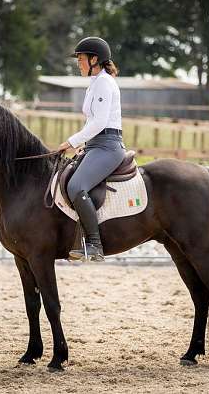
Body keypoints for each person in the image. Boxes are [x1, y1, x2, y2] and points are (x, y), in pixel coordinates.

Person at [57, 36, 125, 262]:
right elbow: (92, 122)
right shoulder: (95, 83)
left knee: (77, 185)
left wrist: (71, 141)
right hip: (96, 144)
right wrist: (83, 145)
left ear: (95, 59)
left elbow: (100, 122)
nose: (78, 62)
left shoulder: (105, 82)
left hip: (108, 145)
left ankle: (95, 244)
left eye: (81, 58)